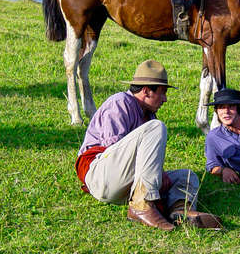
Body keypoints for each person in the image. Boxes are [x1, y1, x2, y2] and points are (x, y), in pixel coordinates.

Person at [75, 60, 221, 231]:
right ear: (146, 91)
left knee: (187, 176)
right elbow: (112, 148)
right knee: (157, 127)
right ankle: (142, 204)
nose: (165, 99)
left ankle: (180, 210)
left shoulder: (149, 116)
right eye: (163, 92)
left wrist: (157, 175)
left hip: (125, 183)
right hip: (101, 176)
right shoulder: (120, 103)